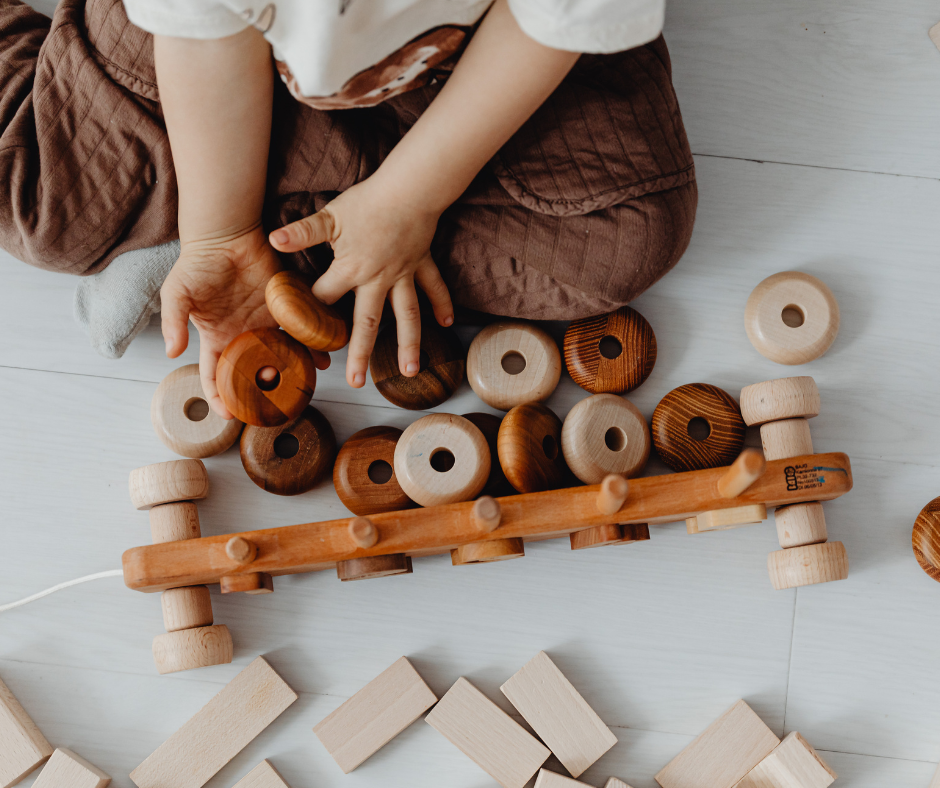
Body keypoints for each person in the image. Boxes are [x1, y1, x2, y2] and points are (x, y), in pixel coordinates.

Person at [0, 0, 697, 417]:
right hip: (221, 50)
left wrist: (410, 196)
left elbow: (556, 19)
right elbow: (200, 26)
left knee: (625, 241)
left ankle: (263, 210)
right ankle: (266, 216)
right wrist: (218, 230)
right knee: (43, 212)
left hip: (477, 56)